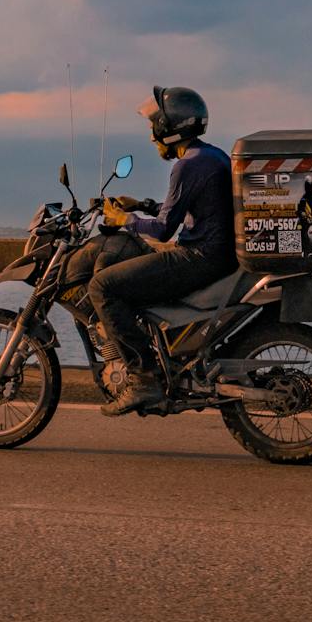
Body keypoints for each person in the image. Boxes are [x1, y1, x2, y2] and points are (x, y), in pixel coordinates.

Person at [87, 86, 237, 416]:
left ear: (170, 128)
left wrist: (125, 220)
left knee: (102, 286)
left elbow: (164, 229)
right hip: (216, 255)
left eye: (155, 126)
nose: (152, 134)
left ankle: (143, 378)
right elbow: (187, 209)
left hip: (198, 258)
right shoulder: (211, 156)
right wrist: (141, 205)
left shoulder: (187, 166)